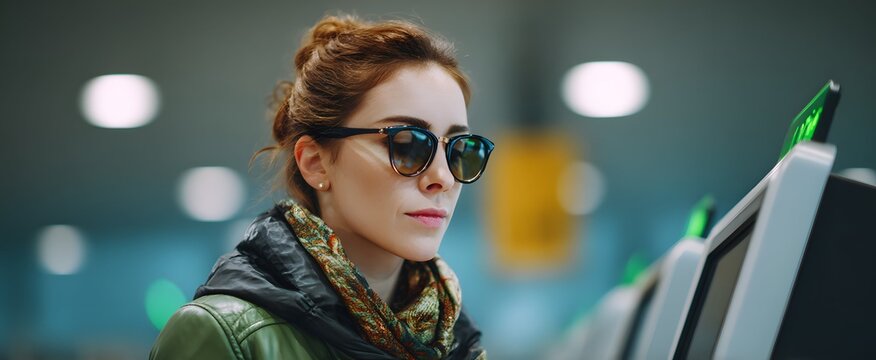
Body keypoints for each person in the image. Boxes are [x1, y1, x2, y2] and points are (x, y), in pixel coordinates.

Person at [150, 13, 494, 360]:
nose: (443, 178)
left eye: (459, 149)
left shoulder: (458, 344)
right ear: (315, 162)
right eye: (406, 145)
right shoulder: (225, 337)